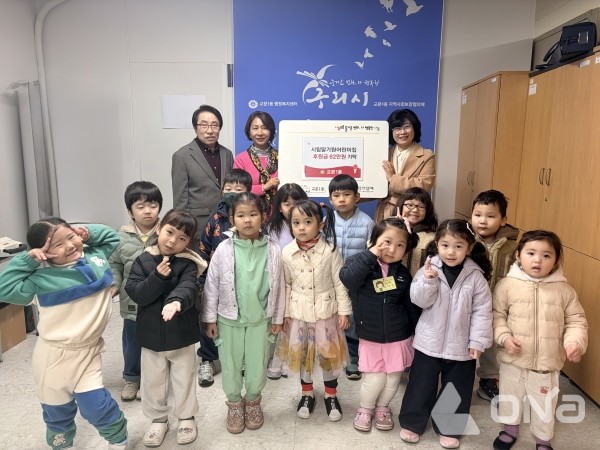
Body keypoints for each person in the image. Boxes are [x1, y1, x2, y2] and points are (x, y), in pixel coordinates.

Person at [0, 219, 128, 450]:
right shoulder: (40, 280)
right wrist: (28, 259)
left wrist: (87, 232)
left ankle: (118, 439)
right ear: (44, 252)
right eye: (57, 244)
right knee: (57, 409)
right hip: (54, 357)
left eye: (71, 237)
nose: (69, 246)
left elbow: (112, 237)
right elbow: (4, 289)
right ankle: (62, 445)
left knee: (96, 404)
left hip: (89, 350)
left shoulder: (95, 256)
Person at [399, 219, 493, 449]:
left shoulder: (476, 277)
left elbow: (482, 312)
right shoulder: (428, 269)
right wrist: (428, 281)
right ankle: (412, 422)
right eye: (445, 245)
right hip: (428, 342)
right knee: (420, 385)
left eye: (458, 246)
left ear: (469, 248)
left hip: (461, 346)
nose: (451, 252)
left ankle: (449, 427)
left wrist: (477, 341)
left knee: (456, 388)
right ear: (437, 245)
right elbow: (418, 300)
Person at [492, 230, 588, 450]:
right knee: (510, 396)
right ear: (518, 256)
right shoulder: (507, 285)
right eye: (531, 253)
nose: (537, 260)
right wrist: (504, 337)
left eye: (546, 255)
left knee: (545, 404)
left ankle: (543, 440)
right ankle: (510, 429)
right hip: (513, 359)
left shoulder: (564, 291)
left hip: (547, 363)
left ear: (555, 261)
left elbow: (576, 321)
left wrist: (574, 343)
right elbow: (497, 316)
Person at [201, 192, 285, 434]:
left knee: (258, 364)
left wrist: (277, 318)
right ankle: (235, 403)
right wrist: (210, 318)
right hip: (229, 320)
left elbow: (280, 286)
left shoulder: (273, 249)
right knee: (230, 363)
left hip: (261, 319)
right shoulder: (223, 249)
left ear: (263, 217)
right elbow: (211, 286)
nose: (247, 220)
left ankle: (253, 400)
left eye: (253, 214)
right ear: (232, 219)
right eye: (241, 215)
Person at [125, 209, 207, 447]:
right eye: (170, 232)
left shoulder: (189, 263)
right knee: (153, 381)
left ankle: (186, 417)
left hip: (181, 334)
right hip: (150, 336)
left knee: (184, 378)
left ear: (188, 242)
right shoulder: (143, 260)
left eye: (182, 238)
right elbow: (136, 293)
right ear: (160, 227)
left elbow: (188, 287)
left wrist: (176, 301)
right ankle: (158, 419)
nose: (172, 241)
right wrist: (157, 277)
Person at [339, 218, 421, 433]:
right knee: (374, 379)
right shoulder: (361, 263)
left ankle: (383, 408)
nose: (392, 249)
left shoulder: (403, 274)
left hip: (399, 337)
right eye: (387, 242)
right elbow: (348, 279)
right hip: (371, 336)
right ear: (373, 240)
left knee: (393, 379)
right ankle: (365, 409)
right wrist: (371, 254)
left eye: (400, 245)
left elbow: (410, 306)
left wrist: (417, 333)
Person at [282, 200, 352, 422]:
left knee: (328, 356)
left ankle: (331, 395)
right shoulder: (287, 252)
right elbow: (286, 284)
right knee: (304, 357)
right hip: (299, 314)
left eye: (307, 222)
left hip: (326, 314)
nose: (301, 227)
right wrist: (285, 314)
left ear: (320, 225)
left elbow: (339, 283)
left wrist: (344, 311)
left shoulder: (330, 250)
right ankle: (307, 394)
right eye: (296, 223)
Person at [196, 168, 252, 388]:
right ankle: (207, 359)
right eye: (228, 188)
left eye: (238, 189)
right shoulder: (215, 221)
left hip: (245, 283)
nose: (231, 192)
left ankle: (243, 360)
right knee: (208, 319)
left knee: (241, 321)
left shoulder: (253, 220)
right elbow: (203, 250)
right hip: (216, 283)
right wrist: (201, 280)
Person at [109, 180, 163, 402]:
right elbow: (114, 264)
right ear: (130, 211)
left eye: (153, 205)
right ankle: (132, 378)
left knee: (156, 342)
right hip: (131, 300)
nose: (147, 211)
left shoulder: (166, 232)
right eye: (140, 207)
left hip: (158, 299)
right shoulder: (120, 237)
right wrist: (114, 284)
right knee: (131, 341)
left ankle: (152, 381)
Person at [470, 190, 520, 405]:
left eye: (490, 216)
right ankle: (456, 377)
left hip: (497, 306)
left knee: (491, 345)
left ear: (503, 220)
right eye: (478, 215)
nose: (483, 221)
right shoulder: (465, 241)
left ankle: (488, 380)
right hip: (468, 304)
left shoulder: (513, 247)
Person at [328, 174, 374, 381]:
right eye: (336, 195)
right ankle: (331, 356)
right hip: (331, 280)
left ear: (357, 197)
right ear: (330, 199)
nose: (342, 199)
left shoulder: (367, 223)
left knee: (353, 320)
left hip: (357, 281)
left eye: (347, 194)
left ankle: (353, 358)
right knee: (331, 318)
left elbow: (371, 252)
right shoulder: (326, 221)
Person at [172, 104, 234, 245]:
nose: (210, 130)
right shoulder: (182, 156)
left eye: (214, 125)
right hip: (197, 226)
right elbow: (180, 200)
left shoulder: (227, 154)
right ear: (195, 128)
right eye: (204, 125)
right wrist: (184, 229)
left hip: (225, 224)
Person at [264, 183, 309, 380]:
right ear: (279, 207)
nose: (291, 208)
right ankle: (275, 359)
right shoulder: (272, 228)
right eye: (286, 203)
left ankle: (286, 360)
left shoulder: (308, 225)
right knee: (278, 321)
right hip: (278, 282)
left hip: (300, 282)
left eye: (296, 202)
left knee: (293, 322)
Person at [375, 109, 436, 222]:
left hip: (412, 213)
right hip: (385, 212)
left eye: (407, 127)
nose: (402, 132)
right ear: (391, 131)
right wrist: (353, 196)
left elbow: (423, 185)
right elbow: (375, 184)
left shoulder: (427, 155)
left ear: (415, 128)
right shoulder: (384, 153)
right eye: (397, 128)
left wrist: (392, 178)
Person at [233, 111, 280, 214]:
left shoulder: (282, 157)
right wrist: (264, 187)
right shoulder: (241, 159)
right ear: (249, 132)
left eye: (264, 128)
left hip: (278, 215)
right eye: (255, 128)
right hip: (250, 214)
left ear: (271, 131)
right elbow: (237, 190)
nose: (260, 133)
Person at [397, 187, 438, 277]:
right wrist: (395, 227)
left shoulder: (432, 239)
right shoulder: (388, 231)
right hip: (394, 283)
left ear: (427, 211)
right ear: (401, 206)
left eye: (421, 206)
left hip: (422, 283)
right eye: (410, 205)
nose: (415, 210)